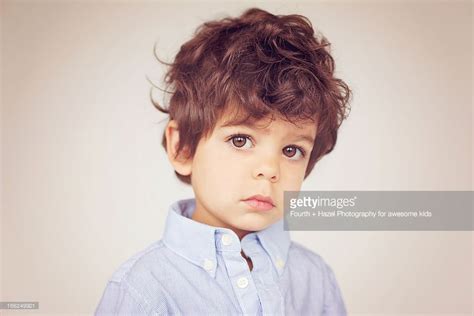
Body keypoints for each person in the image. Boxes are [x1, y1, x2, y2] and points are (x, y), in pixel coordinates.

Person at [95, 7, 352, 315]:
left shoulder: (315, 279)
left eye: (291, 151)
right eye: (240, 140)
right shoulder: (144, 289)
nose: (270, 170)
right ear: (182, 148)